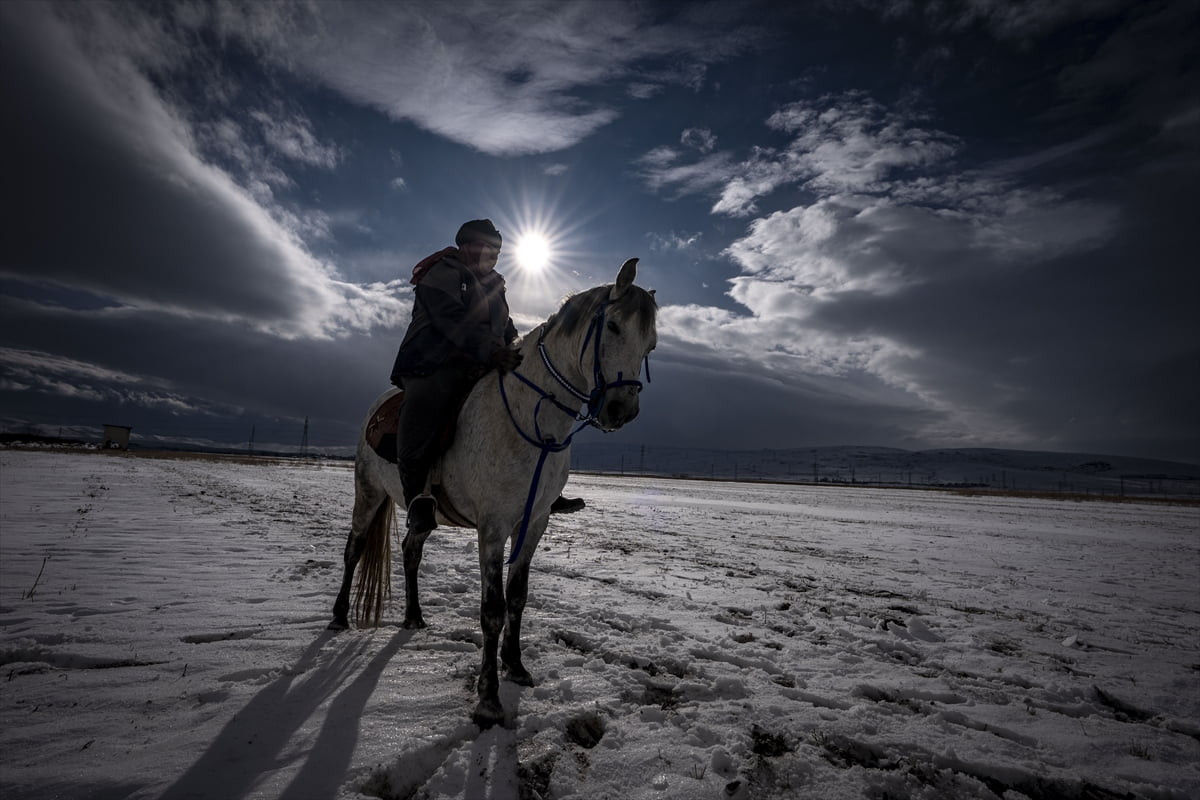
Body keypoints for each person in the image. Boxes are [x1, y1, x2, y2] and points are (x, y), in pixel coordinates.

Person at [390, 219, 583, 534]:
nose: (493, 255)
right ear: (466, 246)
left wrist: (520, 355)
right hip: (432, 363)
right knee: (426, 406)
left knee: (526, 401)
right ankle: (416, 501)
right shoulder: (442, 273)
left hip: (479, 363)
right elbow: (450, 322)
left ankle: (544, 492)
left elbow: (505, 329)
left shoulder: (495, 285)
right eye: (487, 248)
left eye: (497, 250)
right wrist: (490, 353)